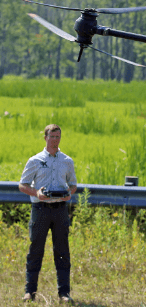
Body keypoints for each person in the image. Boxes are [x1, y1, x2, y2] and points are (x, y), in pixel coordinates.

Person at [19, 124, 77, 304]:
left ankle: (64, 294)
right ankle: (30, 292)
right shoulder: (35, 160)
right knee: (35, 251)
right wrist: (37, 193)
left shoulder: (67, 161)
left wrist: (69, 194)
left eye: (58, 137)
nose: (55, 140)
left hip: (60, 210)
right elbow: (22, 185)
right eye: (52, 136)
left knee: (62, 251)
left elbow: (73, 184)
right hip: (40, 210)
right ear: (45, 138)